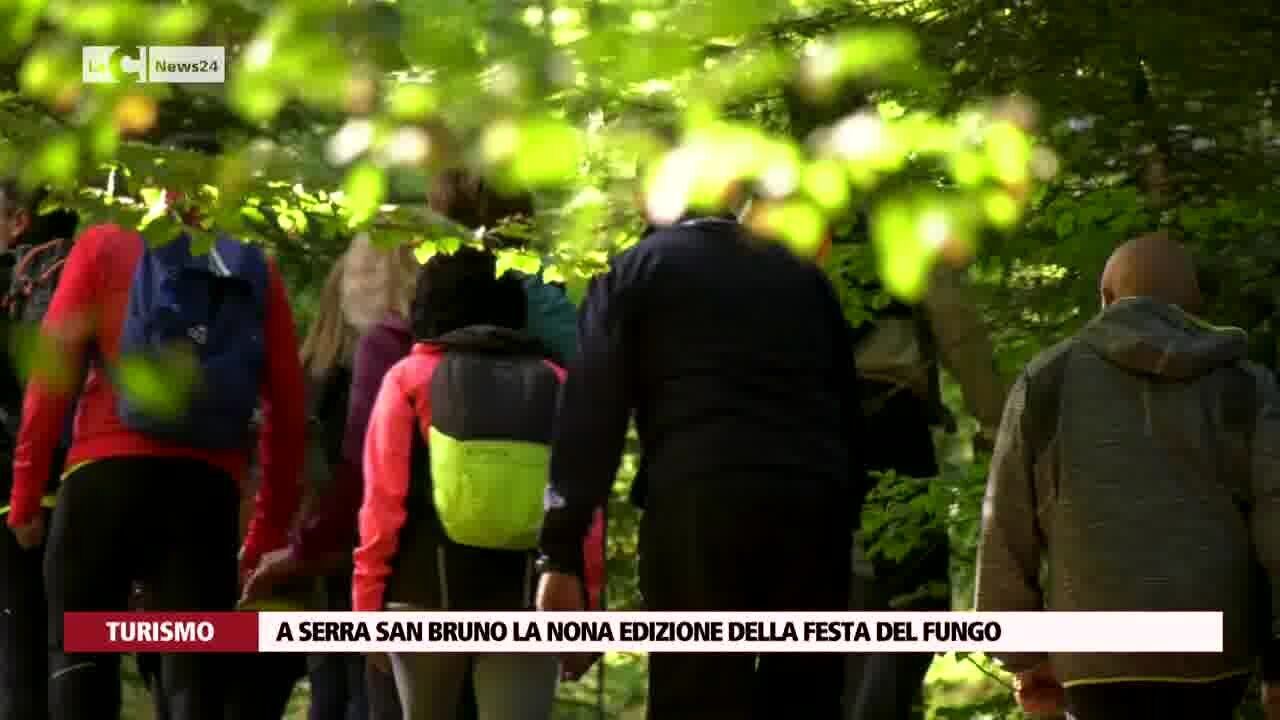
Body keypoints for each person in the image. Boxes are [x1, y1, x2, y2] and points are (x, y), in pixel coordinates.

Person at [536, 184, 868, 719]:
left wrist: (562, 550)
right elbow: (847, 407)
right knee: (805, 697)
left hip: (697, 501)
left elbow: (590, 417)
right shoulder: (802, 274)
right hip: (812, 503)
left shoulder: (634, 271)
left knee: (696, 694)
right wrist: (843, 509)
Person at [6, 134, 307, 719]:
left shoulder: (104, 246)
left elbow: (52, 381)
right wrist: (266, 530)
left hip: (101, 481)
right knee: (193, 671)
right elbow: (288, 413)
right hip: (204, 492)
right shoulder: (252, 264)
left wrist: (25, 494)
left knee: (80, 658)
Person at [975, 231, 1280, 720]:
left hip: (1093, 660)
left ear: (1106, 299)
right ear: (1194, 304)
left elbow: (1005, 531)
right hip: (1215, 655)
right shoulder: (1244, 385)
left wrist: (1025, 658)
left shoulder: (1047, 380)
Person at [355, 245, 567, 720]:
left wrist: (366, 606)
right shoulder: (554, 379)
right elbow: (578, 508)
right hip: (522, 601)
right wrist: (581, 604)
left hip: (422, 593)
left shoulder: (407, 377)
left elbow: (381, 508)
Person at [823, 222, 1006, 720]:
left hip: (801, 434)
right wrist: (994, 423)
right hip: (890, 424)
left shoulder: (773, 223)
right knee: (914, 599)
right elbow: (959, 330)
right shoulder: (903, 221)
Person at [0, 179, 78, 720]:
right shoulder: (84, 267)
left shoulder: (19, 279)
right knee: (70, 645)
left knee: (17, 650)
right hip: (83, 480)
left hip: (18, 487)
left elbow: (20, 392)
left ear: (18, 220)